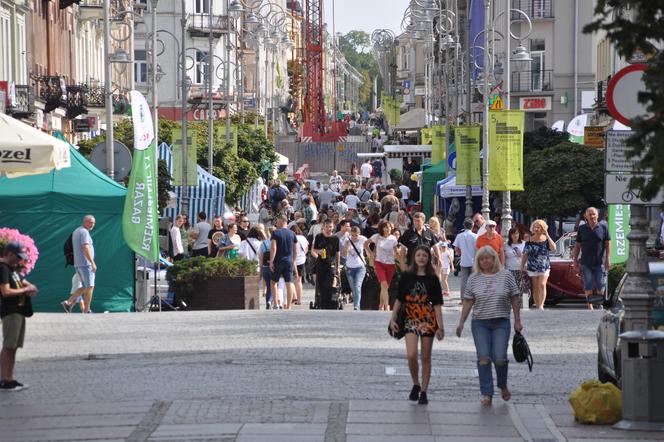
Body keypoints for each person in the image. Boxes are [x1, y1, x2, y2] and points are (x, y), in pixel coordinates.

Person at [455, 246, 522, 407]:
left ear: (495, 259)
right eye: (482, 259)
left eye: (489, 258)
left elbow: (515, 298)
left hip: (501, 321)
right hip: (480, 323)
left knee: (499, 357)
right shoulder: (473, 278)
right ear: (479, 261)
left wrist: (517, 321)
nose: (486, 261)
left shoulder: (506, 276)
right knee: (484, 357)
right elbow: (468, 302)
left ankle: (502, 385)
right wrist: (461, 322)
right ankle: (487, 393)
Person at [390, 245, 445, 405]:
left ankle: (424, 391)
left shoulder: (433, 278)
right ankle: (416, 383)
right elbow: (399, 299)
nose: (421, 258)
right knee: (411, 355)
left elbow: (437, 304)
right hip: (410, 317)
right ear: (414, 257)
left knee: (426, 357)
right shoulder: (407, 276)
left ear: (428, 259)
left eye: (425, 256)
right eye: (419, 255)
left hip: (428, 319)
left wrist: (440, 326)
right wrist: (393, 319)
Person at [0, 242, 38, 391]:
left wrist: (30, 286)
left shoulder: (11, 269)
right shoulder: (3, 269)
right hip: (10, 311)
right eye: (18, 257)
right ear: (9, 254)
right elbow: (6, 291)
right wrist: (25, 290)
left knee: (14, 347)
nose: (20, 260)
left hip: (19, 311)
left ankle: (10, 378)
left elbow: (20, 280)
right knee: (8, 346)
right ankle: (4, 380)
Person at [573, 207, 611, 310]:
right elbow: (577, 246)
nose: (592, 216)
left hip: (600, 262)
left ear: (597, 215)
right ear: (585, 216)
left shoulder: (603, 228)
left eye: (594, 214)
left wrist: (608, 259)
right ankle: (590, 306)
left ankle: (598, 304)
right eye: (590, 214)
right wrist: (575, 261)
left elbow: (608, 245)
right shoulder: (582, 229)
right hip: (586, 262)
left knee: (600, 285)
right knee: (588, 285)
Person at [521, 219, 556, 310]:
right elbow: (525, 254)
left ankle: (541, 305)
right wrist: (522, 265)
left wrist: (547, 234)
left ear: (543, 228)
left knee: (542, 285)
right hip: (532, 266)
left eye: (538, 227)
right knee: (535, 286)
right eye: (535, 227)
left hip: (544, 266)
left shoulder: (546, 239)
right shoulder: (529, 239)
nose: (536, 229)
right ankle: (537, 305)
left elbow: (553, 248)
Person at [365, 220, 400, 311]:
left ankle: (381, 306)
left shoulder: (393, 238)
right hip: (379, 263)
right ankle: (387, 306)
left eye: (389, 227)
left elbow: (396, 252)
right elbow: (366, 243)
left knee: (384, 287)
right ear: (382, 228)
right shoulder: (377, 237)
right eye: (385, 227)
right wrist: (370, 253)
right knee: (384, 284)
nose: (387, 229)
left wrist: (401, 259)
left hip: (390, 264)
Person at [269, 216, 298, 309]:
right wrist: (293, 260)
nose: (276, 223)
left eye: (277, 221)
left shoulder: (276, 233)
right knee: (289, 283)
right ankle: (289, 306)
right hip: (289, 261)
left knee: (273, 282)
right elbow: (296, 250)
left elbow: (273, 248)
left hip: (278, 261)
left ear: (282, 221)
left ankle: (276, 304)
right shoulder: (292, 233)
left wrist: (271, 261)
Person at [312, 219, 341, 309]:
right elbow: (314, 249)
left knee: (330, 283)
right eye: (327, 227)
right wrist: (319, 251)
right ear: (323, 227)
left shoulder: (335, 238)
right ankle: (321, 302)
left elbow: (337, 253)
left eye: (330, 227)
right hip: (320, 263)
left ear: (333, 227)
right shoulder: (319, 237)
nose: (329, 229)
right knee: (320, 284)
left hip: (331, 263)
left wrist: (337, 267)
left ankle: (330, 303)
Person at [71, 215, 96, 313]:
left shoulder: (77, 231)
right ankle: (86, 310)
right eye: (90, 222)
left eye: (93, 223)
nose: (92, 225)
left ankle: (69, 303)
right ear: (84, 222)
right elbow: (85, 247)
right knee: (90, 286)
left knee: (85, 286)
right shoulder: (84, 232)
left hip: (79, 264)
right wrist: (92, 262)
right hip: (86, 264)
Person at [343, 226, 367, 310]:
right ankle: (356, 304)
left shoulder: (363, 239)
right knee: (353, 287)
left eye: (356, 235)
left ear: (359, 234)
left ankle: (357, 306)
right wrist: (346, 246)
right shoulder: (347, 240)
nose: (354, 237)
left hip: (360, 266)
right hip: (349, 267)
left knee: (357, 286)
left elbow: (367, 248)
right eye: (352, 235)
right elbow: (344, 255)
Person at [453, 218, 478, 299]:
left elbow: (456, 249)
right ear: (472, 226)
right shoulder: (476, 236)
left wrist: (461, 252)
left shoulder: (459, 236)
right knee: (473, 280)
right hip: (473, 261)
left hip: (464, 260)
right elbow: (478, 248)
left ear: (464, 226)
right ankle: (473, 297)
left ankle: (463, 298)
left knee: (464, 280)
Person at [504, 227, 525, 304]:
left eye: (516, 233)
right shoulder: (506, 245)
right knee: (510, 287)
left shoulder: (523, 244)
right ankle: (510, 303)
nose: (515, 235)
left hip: (520, 268)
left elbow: (526, 256)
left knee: (520, 287)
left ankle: (518, 303)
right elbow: (504, 257)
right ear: (510, 235)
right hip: (509, 269)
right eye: (513, 234)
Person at [292, 225, 309, 306]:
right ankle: (299, 300)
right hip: (301, 260)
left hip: (292, 260)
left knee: (290, 280)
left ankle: (294, 296)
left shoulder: (291, 237)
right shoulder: (303, 238)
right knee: (299, 281)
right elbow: (306, 249)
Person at [258, 227, 274, 309]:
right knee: (274, 285)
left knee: (268, 285)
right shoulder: (275, 242)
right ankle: (273, 301)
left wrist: (260, 271)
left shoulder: (263, 243)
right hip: (273, 267)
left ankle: (268, 301)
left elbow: (260, 258)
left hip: (264, 267)